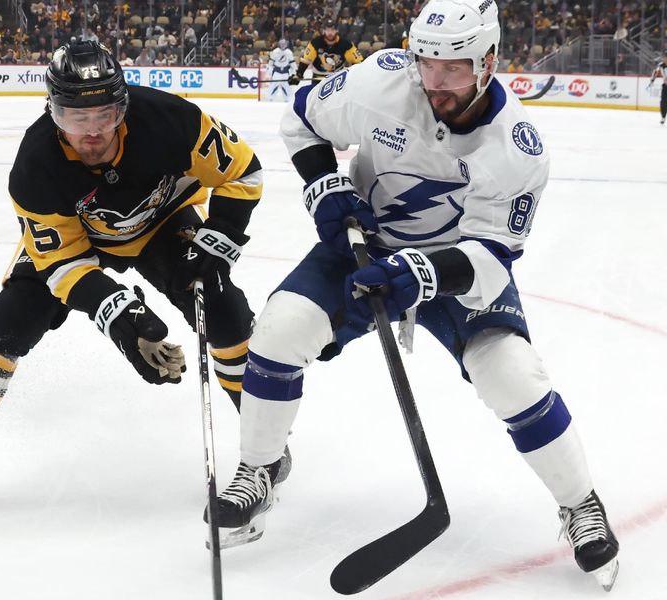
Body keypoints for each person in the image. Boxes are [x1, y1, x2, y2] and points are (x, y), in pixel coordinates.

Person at [210, 0, 619, 590]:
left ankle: (580, 502)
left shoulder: (516, 147)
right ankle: (259, 468)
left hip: (456, 268)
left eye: (453, 67)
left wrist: (419, 276)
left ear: (489, 60)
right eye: (427, 62)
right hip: (365, 245)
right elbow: (302, 118)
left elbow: (490, 257)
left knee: (511, 374)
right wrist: (326, 187)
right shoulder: (381, 79)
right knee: (280, 327)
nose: (434, 81)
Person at [0, 41, 290, 513]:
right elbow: (64, 262)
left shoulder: (172, 120)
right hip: (78, 243)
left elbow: (243, 172)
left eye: (105, 115)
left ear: (123, 106)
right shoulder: (34, 165)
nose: (92, 133)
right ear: (52, 111)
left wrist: (220, 236)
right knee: (8, 323)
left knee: (222, 307)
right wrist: (121, 319)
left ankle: (265, 449)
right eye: (75, 118)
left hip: (163, 222)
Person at [288, 18, 362, 86]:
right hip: (318, 77)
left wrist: (357, 76)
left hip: (337, 77)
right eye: (327, 30)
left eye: (332, 30)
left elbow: (358, 62)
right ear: (324, 31)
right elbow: (306, 60)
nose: (330, 33)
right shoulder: (315, 43)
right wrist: (298, 75)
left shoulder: (346, 44)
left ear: (337, 30)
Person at [649, 53, 666, 125]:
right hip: (665, 86)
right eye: (664, 58)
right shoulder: (661, 65)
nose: (665, 59)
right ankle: (663, 117)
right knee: (663, 102)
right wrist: (652, 80)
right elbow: (655, 72)